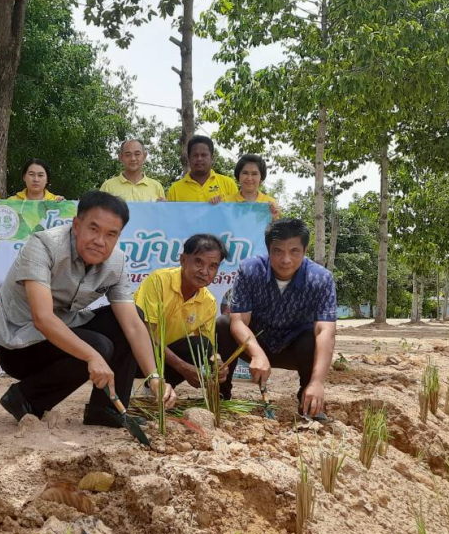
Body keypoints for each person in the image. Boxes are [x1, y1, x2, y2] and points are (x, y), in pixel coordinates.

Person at [0, 191, 176, 426]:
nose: (100, 241)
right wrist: (92, 356)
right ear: (77, 225)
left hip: (63, 331)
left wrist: (154, 378)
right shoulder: (44, 245)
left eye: (111, 234)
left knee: (131, 318)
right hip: (18, 347)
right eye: (93, 229)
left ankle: (106, 409)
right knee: (97, 346)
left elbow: (132, 325)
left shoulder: (116, 263)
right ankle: (25, 397)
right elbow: (43, 319)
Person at [216, 217, 337, 418]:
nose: (286, 259)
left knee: (311, 336)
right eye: (278, 251)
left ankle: (309, 403)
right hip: (254, 344)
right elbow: (239, 322)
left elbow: (326, 331)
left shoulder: (321, 278)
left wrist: (318, 382)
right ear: (268, 250)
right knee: (223, 324)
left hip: (295, 349)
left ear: (305, 251)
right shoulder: (250, 269)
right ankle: (220, 395)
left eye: (294, 251)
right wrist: (256, 353)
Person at [134, 234, 229, 390]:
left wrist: (218, 363)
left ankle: (153, 390)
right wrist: (182, 367)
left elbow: (209, 346)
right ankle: (146, 383)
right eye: (199, 262)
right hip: (136, 352)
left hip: (164, 356)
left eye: (213, 266)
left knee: (202, 346)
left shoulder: (208, 301)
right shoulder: (159, 281)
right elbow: (145, 333)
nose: (205, 271)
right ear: (183, 260)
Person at [167, 134, 240, 203]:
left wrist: (222, 206)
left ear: (212, 158)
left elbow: (237, 214)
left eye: (204, 155)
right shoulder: (175, 190)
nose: (199, 159)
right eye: (195, 155)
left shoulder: (228, 184)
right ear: (189, 158)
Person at [100, 138, 165, 201]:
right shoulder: (107, 187)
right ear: (120, 157)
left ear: (144, 156)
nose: (133, 158)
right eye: (128, 155)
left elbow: (162, 211)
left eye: (137, 154)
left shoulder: (156, 187)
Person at [230, 154, 280, 219]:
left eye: (254, 174)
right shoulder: (225, 202)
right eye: (245, 173)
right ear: (238, 175)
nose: (249, 178)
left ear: (261, 177)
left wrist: (271, 219)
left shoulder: (270, 204)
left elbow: (275, 228)